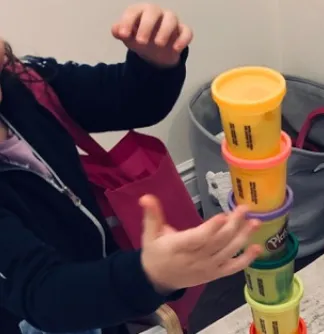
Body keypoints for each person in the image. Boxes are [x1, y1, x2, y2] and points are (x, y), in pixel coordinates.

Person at [0, 3, 262, 334]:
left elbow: (129, 100)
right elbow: (43, 292)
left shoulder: (25, 83)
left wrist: (156, 63)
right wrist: (149, 275)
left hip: (97, 292)